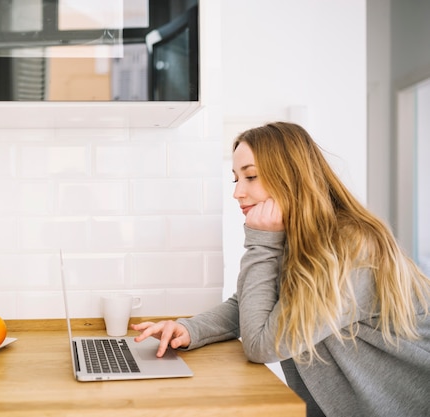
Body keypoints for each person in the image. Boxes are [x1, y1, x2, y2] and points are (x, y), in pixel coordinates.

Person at [132, 122, 430, 417]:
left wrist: (261, 245)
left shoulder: (349, 248)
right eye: (235, 179)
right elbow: (251, 305)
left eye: (250, 176)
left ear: (291, 177)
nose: (238, 193)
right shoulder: (297, 237)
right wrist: (189, 328)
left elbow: (263, 344)